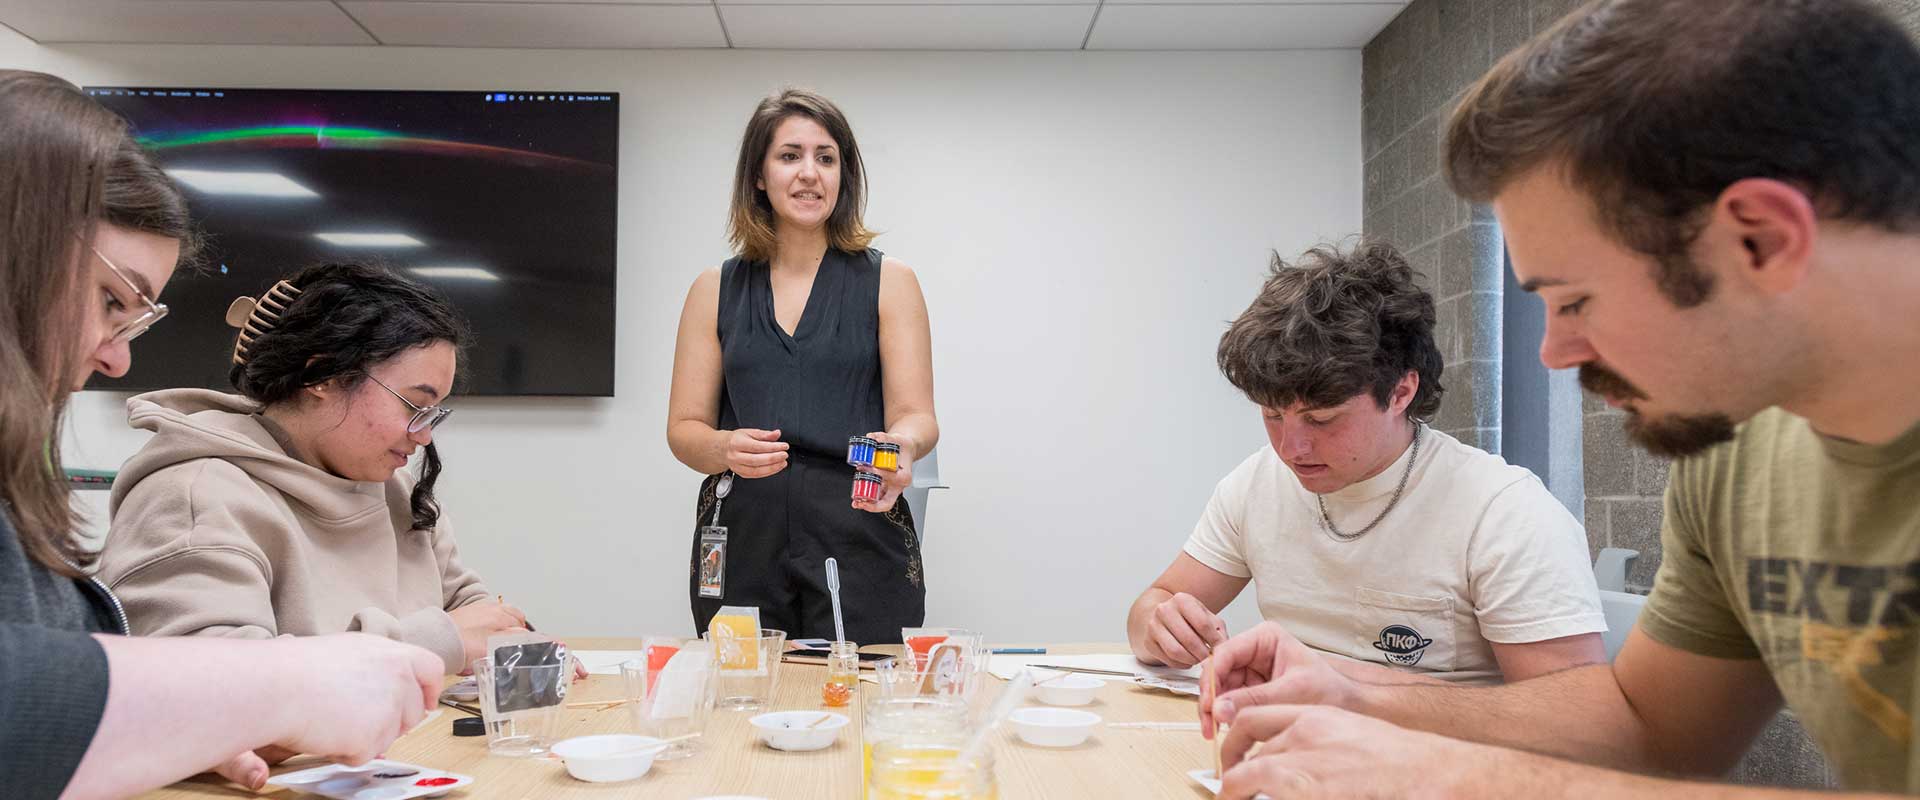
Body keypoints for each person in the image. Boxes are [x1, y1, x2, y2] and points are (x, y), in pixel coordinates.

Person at [1199, 1, 1920, 797]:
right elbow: (1648, 736)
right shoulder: (1738, 458)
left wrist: (1454, 775)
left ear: (1762, 240)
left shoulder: (1508, 501)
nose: (1554, 351)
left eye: (1574, 299)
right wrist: (1354, 694)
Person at [0, 68, 441, 800]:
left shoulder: (401, 490)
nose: (117, 356)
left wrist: (173, 728)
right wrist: (272, 687)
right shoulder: (200, 489)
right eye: (112, 300)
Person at [1125, 241, 1604, 685]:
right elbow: (1156, 601)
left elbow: (1577, 723)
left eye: (1322, 419)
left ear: (1401, 392)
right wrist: (1158, 624)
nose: (1291, 448)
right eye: (1273, 415)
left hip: (1442, 767)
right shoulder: (1255, 486)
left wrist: (1350, 689)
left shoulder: (1503, 512)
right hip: (1299, 754)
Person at [667, 88, 937, 643]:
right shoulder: (712, 290)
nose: (809, 173)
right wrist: (722, 448)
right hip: (743, 540)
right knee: (745, 709)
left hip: (860, 534)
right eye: (790, 155)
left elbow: (916, 414)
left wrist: (903, 446)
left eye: (826, 157)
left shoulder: (891, 282)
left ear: (844, 177)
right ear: (759, 175)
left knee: (861, 703)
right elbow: (684, 429)